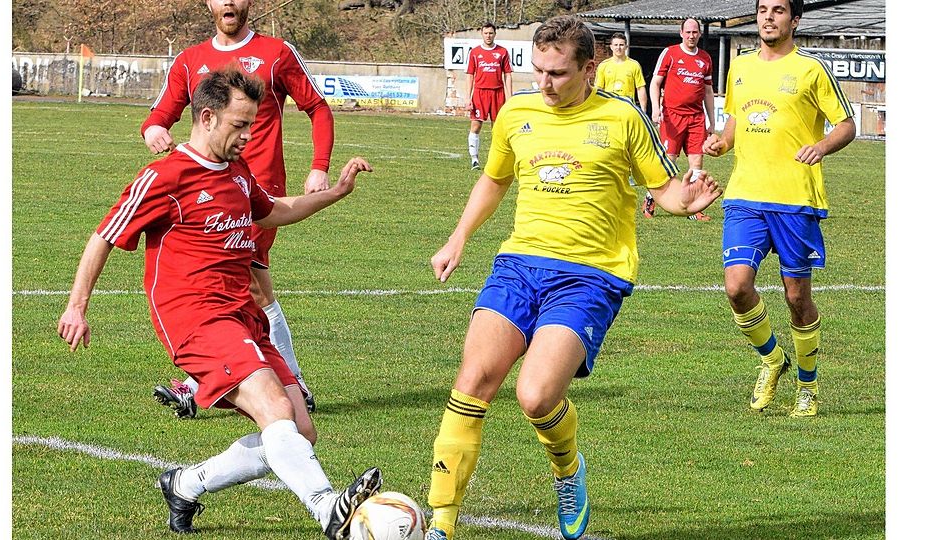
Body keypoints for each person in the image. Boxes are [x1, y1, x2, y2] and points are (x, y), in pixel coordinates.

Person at [424, 15, 721, 540]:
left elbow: (662, 187)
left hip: (590, 275)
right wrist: (458, 238)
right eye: (537, 70)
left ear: (589, 68)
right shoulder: (516, 114)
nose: (544, 83)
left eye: (557, 73)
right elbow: (494, 182)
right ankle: (440, 525)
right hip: (519, 264)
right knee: (472, 382)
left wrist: (684, 201)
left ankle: (567, 470)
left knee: (536, 396)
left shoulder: (623, 117)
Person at [58, 67, 381, 538]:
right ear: (207, 117)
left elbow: (273, 211)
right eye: (240, 124)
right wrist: (76, 306)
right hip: (196, 319)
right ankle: (326, 507)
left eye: (252, 124)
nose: (248, 136)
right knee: (275, 408)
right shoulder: (165, 176)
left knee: (300, 432)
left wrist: (335, 193)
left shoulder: (236, 172)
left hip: (244, 318)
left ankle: (186, 484)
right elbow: (104, 235)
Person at [144, 0, 328, 417]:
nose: (228, 1)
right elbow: (161, 114)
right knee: (239, 285)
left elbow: (316, 107)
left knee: (248, 283)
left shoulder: (276, 52)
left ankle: (268, 381)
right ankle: (234, 378)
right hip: (207, 190)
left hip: (257, 192)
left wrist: (319, 168)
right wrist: (153, 129)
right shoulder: (190, 60)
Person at [703, 0, 855, 417]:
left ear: (795, 19)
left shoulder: (811, 69)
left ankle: (808, 385)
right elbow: (733, 125)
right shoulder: (740, 67)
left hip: (794, 200)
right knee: (736, 287)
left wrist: (821, 146)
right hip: (745, 195)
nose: (769, 17)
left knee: (796, 297)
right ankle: (772, 360)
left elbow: (846, 125)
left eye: (779, 10)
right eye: (763, 9)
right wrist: (720, 141)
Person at [645, 17, 716, 221]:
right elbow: (655, 82)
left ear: (699, 34)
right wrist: (656, 108)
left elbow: (708, 91)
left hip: (696, 117)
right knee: (670, 161)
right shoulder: (670, 53)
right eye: (688, 32)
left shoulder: (705, 58)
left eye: (695, 32)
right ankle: (651, 198)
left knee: (697, 160)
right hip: (672, 116)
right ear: (681, 33)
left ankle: (692, 208)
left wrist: (711, 120)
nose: (691, 36)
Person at [465, 22, 513, 170]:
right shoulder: (475, 53)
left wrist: (509, 97)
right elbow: (470, 75)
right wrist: (468, 98)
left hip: (497, 93)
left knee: (497, 128)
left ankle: (495, 160)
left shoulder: (502, 52)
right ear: (481, 34)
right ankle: (474, 159)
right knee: (476, 125)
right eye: (486, 33)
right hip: (480, 93)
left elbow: (508, 75)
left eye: (491, 33)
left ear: (495, 34)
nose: (488, 36)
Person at [593, 32, 647, 112]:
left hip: (628, 108)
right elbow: (598, 89)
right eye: (616, 45)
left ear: (626, 47)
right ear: (611, 47)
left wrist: (643, 110)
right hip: (609, 108)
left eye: (621, 45)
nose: (618, 48)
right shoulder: (603, 65)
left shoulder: (634, 65)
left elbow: (640, 88)